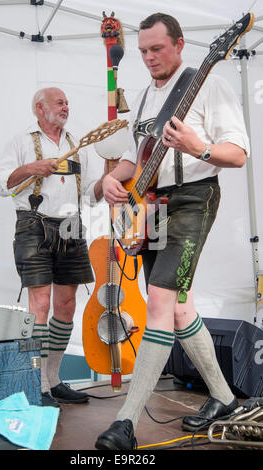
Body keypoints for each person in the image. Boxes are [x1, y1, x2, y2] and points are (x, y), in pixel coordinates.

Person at [95, 13, 249, 450]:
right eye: (142, 50)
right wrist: (111, 180)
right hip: (149, 207)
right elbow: (133, 156)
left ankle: (125, 422)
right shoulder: (144, 97)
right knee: (179, 308)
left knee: (161, 299)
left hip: (194, 198)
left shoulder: (207, 84)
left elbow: (237, 154)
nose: (147, 57)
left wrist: (198, 146)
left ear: (180, 45)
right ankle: (223, 398)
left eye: (156, 49)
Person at [0, 87, 109, 408]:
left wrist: (110, 174)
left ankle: (53, 379)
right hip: (33, 224)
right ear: (40, 108)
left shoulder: (78, 144)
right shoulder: (21, 141)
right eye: (60, 102)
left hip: (71, 226)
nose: (66, 107)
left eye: (68, 102)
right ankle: (35, 381)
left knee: (66, 306)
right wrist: (31, 168)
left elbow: (91, 193)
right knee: (39, 304)